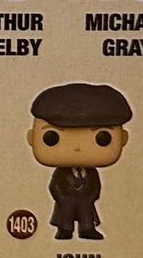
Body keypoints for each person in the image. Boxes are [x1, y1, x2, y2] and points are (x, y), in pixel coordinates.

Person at [27, 83, 132, 242]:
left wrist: (92, 197)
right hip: (67, 200)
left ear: (123, 139)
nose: (77, 148)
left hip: (85, 199)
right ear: (32, 138)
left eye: (102, 138)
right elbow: (54, 185)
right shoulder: (61, 173)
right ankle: (64, 230)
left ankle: (87, 230)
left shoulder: (91, 172)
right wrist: (61, 198)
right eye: (52, 137)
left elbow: (96, 185)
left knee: (86, 216)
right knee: (65, 217)